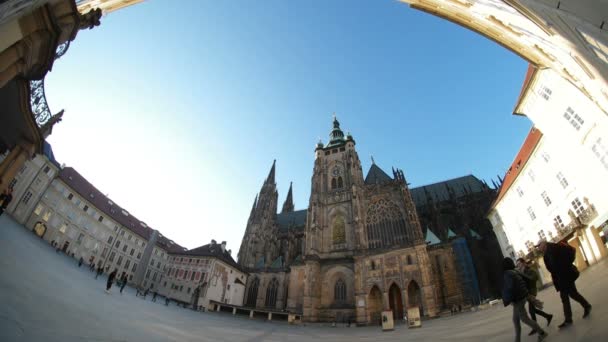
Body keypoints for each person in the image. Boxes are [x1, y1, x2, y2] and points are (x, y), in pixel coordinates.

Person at [538, 241, 592, 328]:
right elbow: (550, 267)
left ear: (544, 244)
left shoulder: (555, 247)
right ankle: (570, 318)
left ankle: (583, 308)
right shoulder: (546, 254)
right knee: (567, 296)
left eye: (539, 245)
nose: (538, 248)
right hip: (560, 278)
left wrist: (566, 266)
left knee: (571, 295)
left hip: (566, 275)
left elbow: (568, 255)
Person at [502, 257, 547, 342]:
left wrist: (508, 299)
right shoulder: (515, 271)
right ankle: (517, 340)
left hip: (517, 300)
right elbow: (520, 285)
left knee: (525, 319)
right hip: (521, 298)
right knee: (515, 320)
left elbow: (510, 288)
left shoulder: (508, 274)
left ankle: (542, 333)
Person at [516, 258, 553, 335]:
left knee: (531, 310)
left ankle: (542, 322)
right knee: (532, 310)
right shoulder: (521, 272)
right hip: (527, 293)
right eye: (517, 264)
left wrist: (521, 274)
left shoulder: (530, 270)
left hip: (532, 292)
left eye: (519, 264)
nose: (518, 266)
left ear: (523, 263)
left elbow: (533, 279)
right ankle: (545, 319)